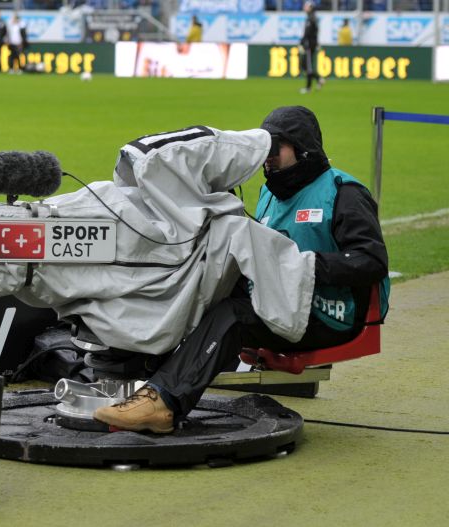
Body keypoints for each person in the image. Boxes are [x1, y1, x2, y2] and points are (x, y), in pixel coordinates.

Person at [94, 106, 390, 434]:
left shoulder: (342, 192)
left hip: (329, 315)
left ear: (303, 148)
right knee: (195, 283)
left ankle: (164, 403)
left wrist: (297, 266)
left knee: (234, 316)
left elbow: (372, 261)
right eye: (265, 147)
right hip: (280, 300)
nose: (268, 157)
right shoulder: (270, 194)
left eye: (276, 147)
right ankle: (141, 370)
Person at [300, 1, 323, 93]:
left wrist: (302, 42)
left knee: (308, 67)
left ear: (311, 8)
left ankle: (308, 88)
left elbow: (308, 33)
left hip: (309, 45)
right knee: (304, 65)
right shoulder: (311, 18)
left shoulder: (311, 18)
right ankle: (318, 79)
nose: (304, 7)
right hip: (309, 44)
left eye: (306, 6)